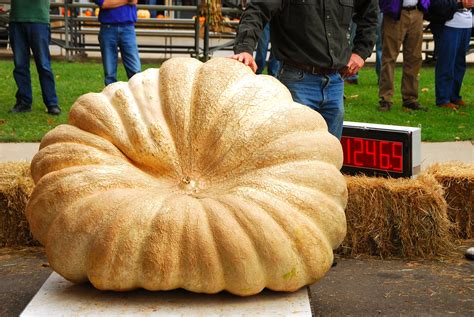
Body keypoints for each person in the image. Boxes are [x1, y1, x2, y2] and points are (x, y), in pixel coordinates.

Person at [232, 0, 378, 140]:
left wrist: (361, 52)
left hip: (335, 84)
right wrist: (245, 48)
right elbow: (257, 10)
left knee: (330, 159)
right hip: (297, 80)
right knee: (296, 156)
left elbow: (369, 14)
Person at [8, 0, 61, 115]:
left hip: (39, 20)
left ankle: (51, 103)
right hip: (17, 19)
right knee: (20, 65)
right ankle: (24, 102)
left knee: (43, 65)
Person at [378, 0, 430, 112]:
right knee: (389, 58)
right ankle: (385, 99)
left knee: (414, 57)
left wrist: (425, 5)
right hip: (395, 13)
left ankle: (410, 98)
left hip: (416, 12)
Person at [426, 0, 473, 110]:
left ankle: (454, 95)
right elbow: (436, 5)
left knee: (459, 64)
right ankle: (443, 98)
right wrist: (460, 4)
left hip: (466, 24)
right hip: (448, 25)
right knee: (446, 62)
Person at [93, 0, 141, 86]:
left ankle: (138, 97)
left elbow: (134, 1)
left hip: (128, 28)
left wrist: (114, 2)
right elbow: (104, 4)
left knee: (135, 71)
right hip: (108, 28)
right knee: (109, 73)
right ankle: (111, 97)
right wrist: (126, 1)